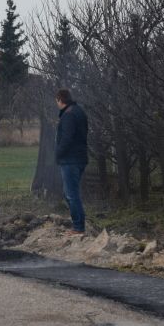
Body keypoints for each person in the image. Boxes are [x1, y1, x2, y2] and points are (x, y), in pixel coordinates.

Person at [55, 88, 89, 235]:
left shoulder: (68, 115)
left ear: (60, 100)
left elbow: (67, 139)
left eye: (57, 101)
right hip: (80, 157)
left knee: (71, 194)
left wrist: (58, 154)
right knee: (71, 193)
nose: (57, 104)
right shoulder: (79, 111)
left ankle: (78, 227)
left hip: (71, 160)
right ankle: (79, 224)